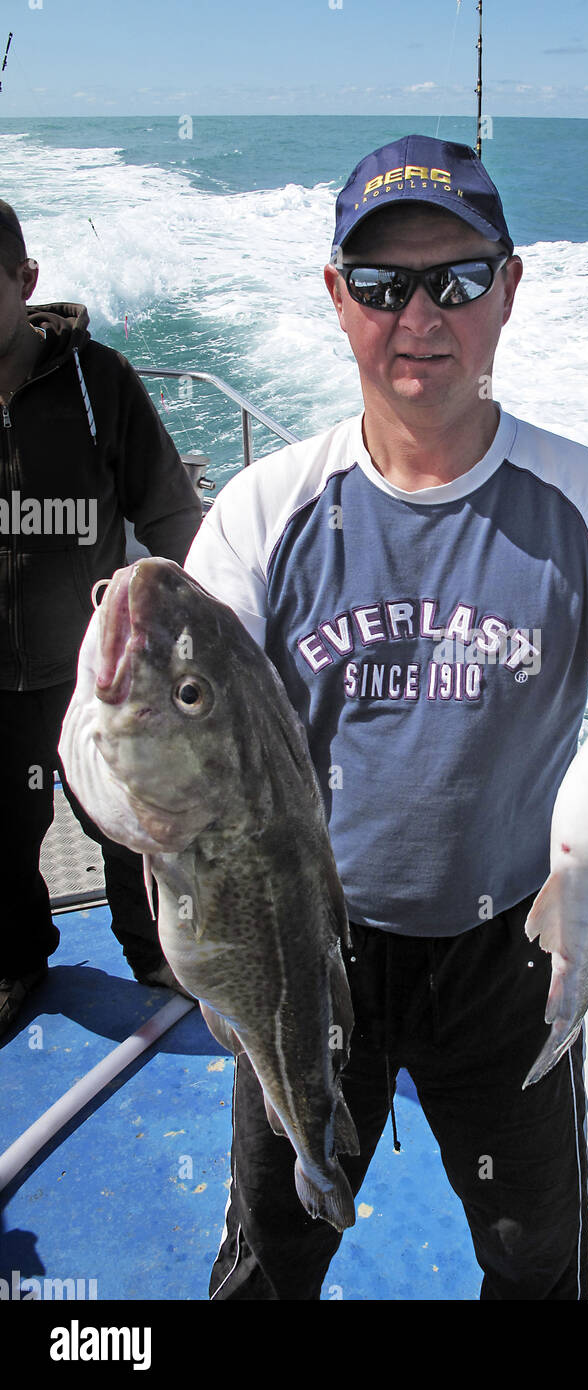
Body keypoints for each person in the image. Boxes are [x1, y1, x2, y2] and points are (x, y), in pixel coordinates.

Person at [184, 135, 588, 1300]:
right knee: (272, 1246)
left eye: (457, 279)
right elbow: (178, 739)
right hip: (309, 944)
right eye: (381, 284)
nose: (420, 315)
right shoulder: (263, 513)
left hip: (511, 954)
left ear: (509, 290)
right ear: (335, 299)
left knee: (530, 1251)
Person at [0, 199, 203, 1039]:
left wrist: (195, 635)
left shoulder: (100, 381)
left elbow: (170, 512)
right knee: (4, 832)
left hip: (95, 673)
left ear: (26, 280)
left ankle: (154, 952)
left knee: (128, 822)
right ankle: (15, 961)